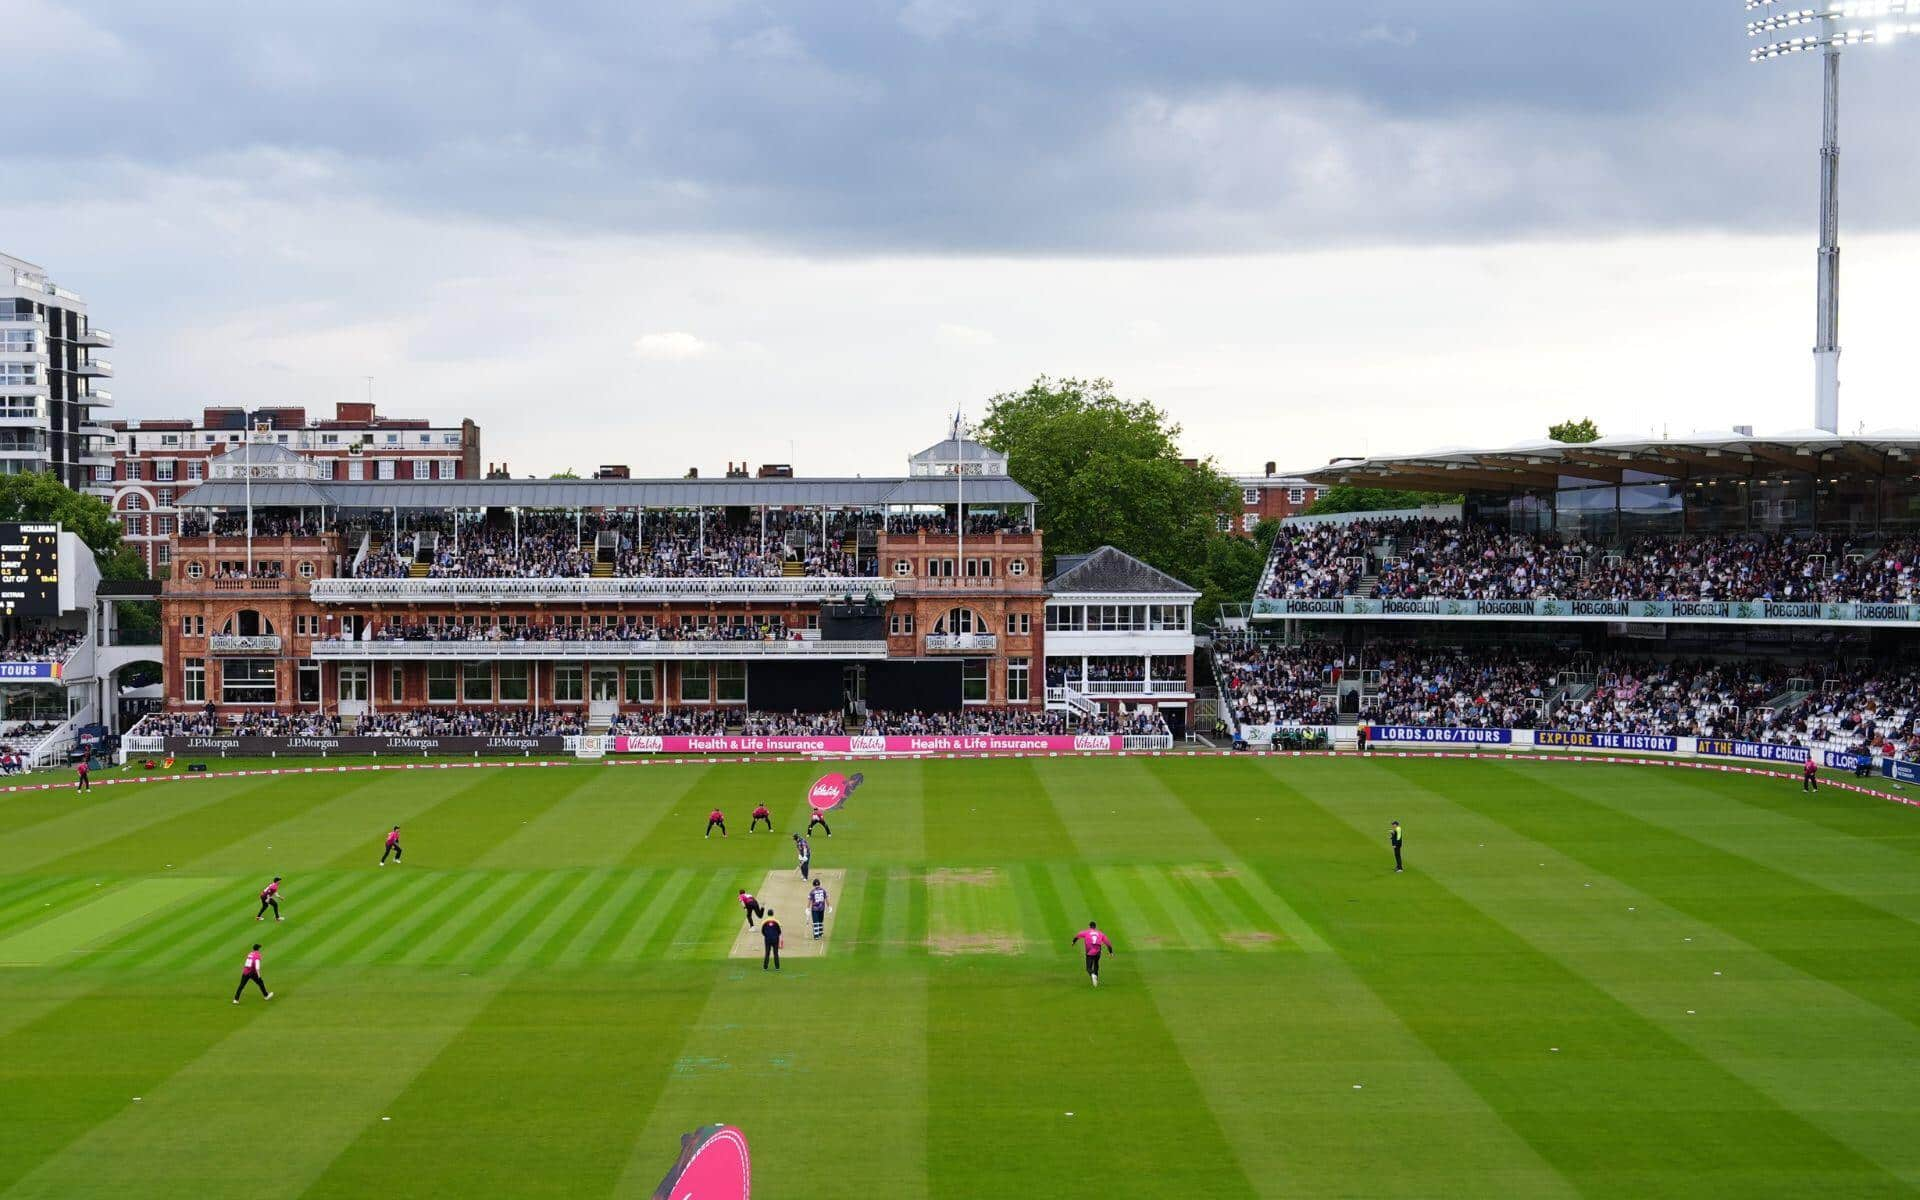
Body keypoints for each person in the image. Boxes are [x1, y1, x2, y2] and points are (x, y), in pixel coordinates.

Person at [1071, 920, 1115, 987]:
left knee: (1088, 968)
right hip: (1098, 951)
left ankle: (1092, 974)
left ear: (1089, 926)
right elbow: (1108, 943)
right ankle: (1096, 980)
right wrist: (1111, 952)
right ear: (1095, 927)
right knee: (1096, 964)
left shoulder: (1086, 932)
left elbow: (1077, 936)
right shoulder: (1100, 933)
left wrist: (1073, 942)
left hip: (1090, 951)